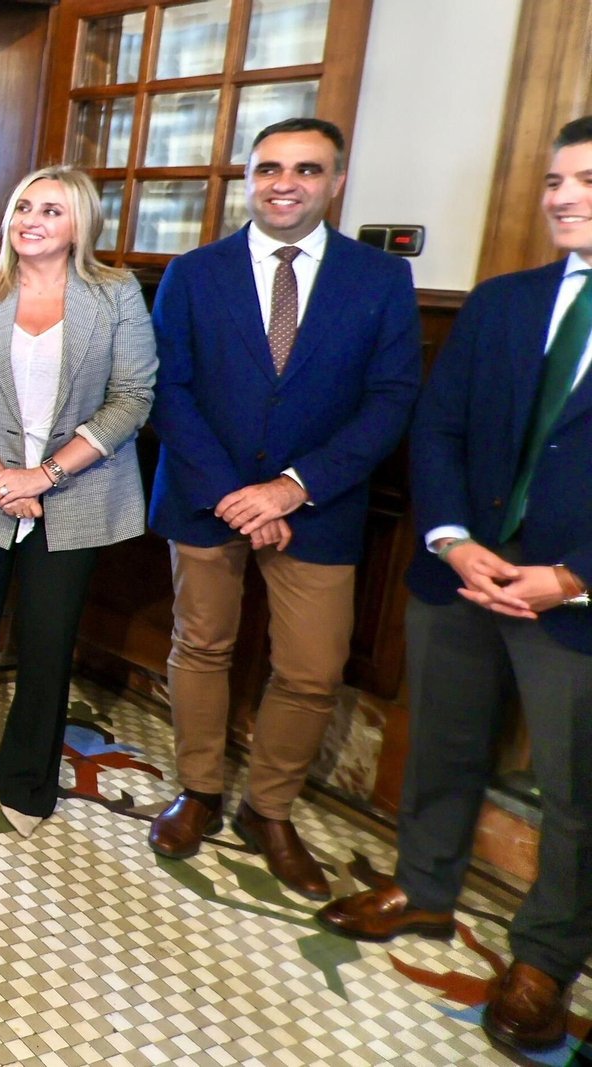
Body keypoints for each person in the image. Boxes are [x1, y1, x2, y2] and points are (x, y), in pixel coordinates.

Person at [317, 116, 592, 1055]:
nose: (560, 196)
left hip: (575, 602)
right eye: (555, 180)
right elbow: (437, 427)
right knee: (440, 742)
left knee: (576, 791)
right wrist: (452, 539)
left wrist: (570, 576)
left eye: (584, 180)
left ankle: (545, 960)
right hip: (462, 576)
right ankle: (424, 889)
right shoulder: (503, 302)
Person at [145, 117, 421, 899]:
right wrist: (237, 495)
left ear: (335, 180)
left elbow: (391, 398)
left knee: (311, 668)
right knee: (201, 645)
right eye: (268, 167)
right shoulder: (194, 274)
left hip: (318, 507)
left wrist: (293, 487)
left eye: (306, 169)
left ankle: (270, 808)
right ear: (249, 178)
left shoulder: (379, 280)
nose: (284, 182)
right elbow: (169, 389)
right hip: (208, 497)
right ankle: (197, 790)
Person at [0, 166, 156, 838]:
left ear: (79, 224)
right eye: (23, 206)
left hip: (73, 494)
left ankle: (26, 779)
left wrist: (43, 475)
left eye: (50, 210)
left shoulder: (115, 297)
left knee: (48, 643)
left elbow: (133, 398)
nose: (30, 219)